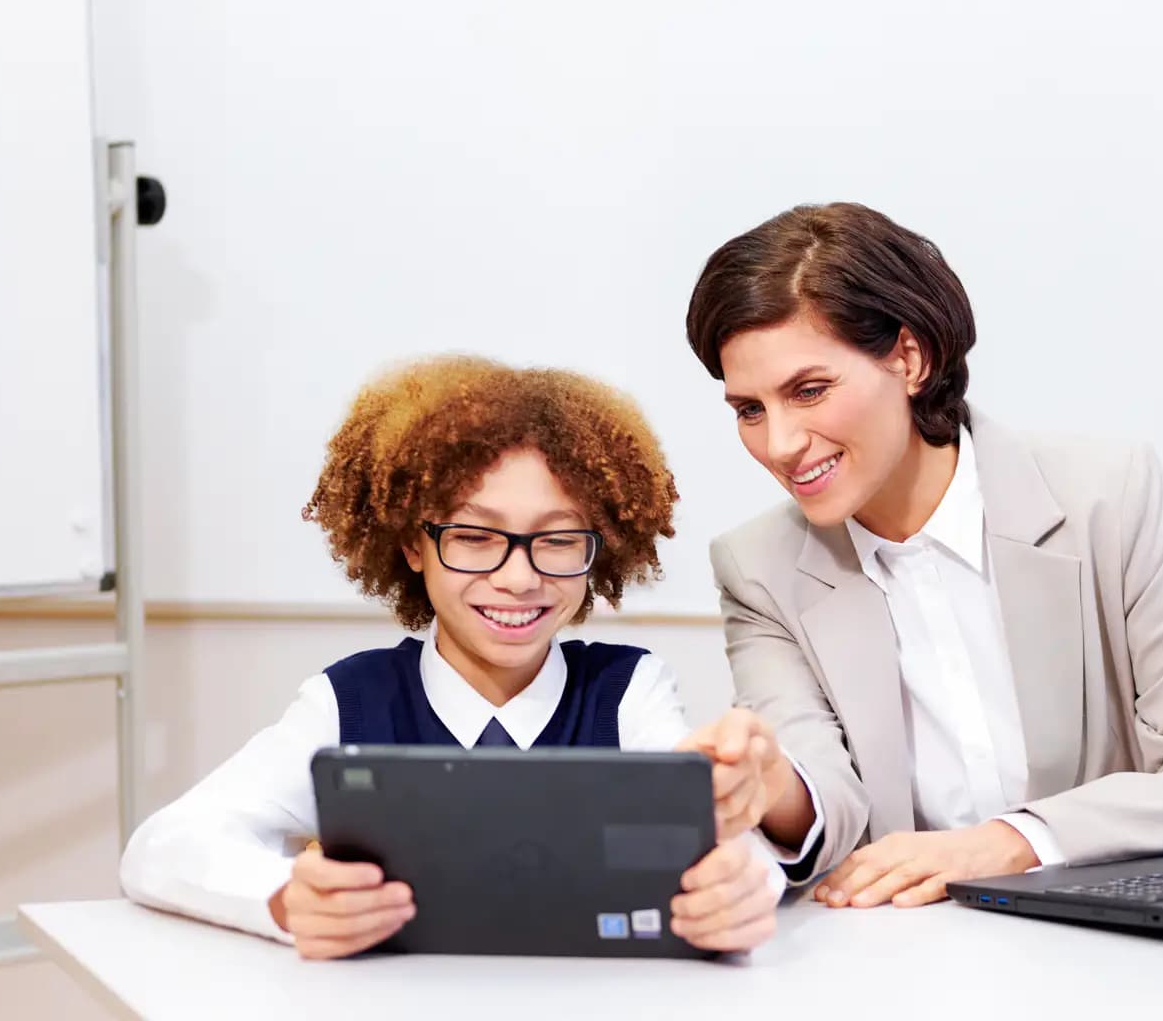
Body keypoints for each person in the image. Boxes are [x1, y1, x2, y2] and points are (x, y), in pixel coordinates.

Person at [121, 356, 790, 956]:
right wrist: (282, 900)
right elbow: (161, 847)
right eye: (473, 536)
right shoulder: (349, 703)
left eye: (557, 540)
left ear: (602, 546)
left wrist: (742, 887)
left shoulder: (626, 692)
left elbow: (732, 845)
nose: (518, 578)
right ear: (414, 546)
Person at [685, 202, 1163, 908]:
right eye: (749, 410)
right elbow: (823, 788)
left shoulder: (1106, 497)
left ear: (910, 359)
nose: (780, 443)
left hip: (1117, 948)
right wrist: (769, 785)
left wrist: (1013, 840)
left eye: (809, 391)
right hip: (905, 961)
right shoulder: (756, 567)